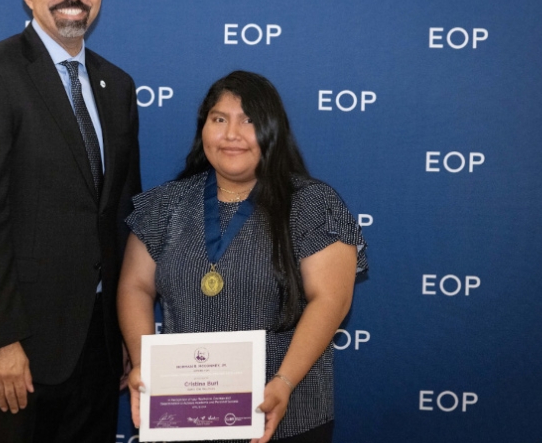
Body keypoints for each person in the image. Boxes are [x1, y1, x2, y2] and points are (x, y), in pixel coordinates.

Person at [0, 0, 141, 442]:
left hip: (97, 344)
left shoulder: (116, 86)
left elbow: (120, 215)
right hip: (21, 346)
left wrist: (122, 329)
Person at [118, 71, 367, 443]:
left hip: (286, 414)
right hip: (184, 417)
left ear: (273, 131)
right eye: (219, 119)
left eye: (248, 120)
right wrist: (142, 363)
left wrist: (282, 383)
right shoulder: (165, 204)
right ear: (203, 129)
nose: (231, 134)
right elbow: (134, 286)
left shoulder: (312, 204)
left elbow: (331, 299)